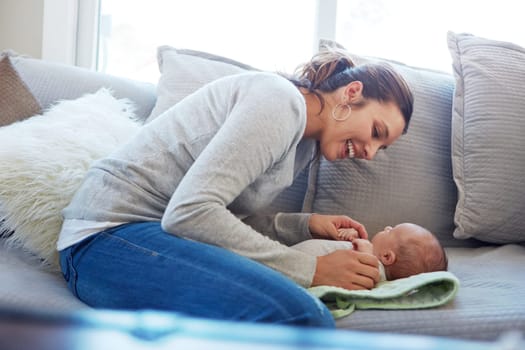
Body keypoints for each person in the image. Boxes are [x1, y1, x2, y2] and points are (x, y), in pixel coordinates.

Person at [57, 47, 414, 328]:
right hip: (103, 239)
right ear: (351, 94)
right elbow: (189, 214)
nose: (369, 152)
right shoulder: (280, 102)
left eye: (380, 148)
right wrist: (312, 270)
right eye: (377, 133)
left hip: (149, 234)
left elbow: (217, 220)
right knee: (302, 317)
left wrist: (302, 226)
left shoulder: (303, 145)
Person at [292, 223, 448, 281]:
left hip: (295, 268)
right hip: (295, 263)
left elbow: (357, 256)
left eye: (391, 231)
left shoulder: (369, 261)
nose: (387, 227)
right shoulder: (370, 260)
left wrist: (354, 239)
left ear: (387, 257)